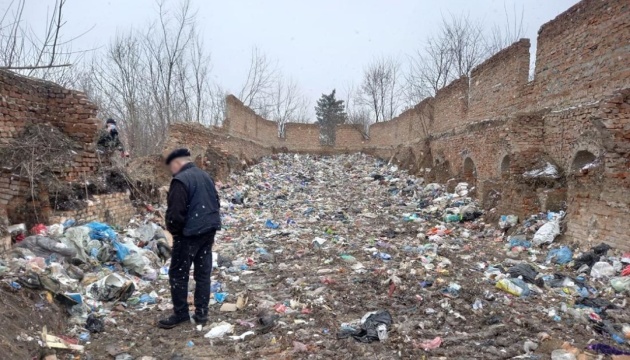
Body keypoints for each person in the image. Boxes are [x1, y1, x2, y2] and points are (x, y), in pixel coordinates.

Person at [158, 148, 221, 329]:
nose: (172, 170)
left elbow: (175, 215)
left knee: (178, 274)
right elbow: (216, 202)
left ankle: (181, 314)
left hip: (189, 235)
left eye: (172, 166)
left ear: (177, 163)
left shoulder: (180, 181)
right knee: (203, 273)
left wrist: (175, 232)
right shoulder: (205, 176)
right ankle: (202, 313)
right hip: (208, 231)